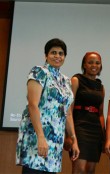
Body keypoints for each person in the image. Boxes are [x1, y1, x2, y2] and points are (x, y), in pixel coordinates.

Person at [16, 38, 79, 174]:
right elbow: (33, 105)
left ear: (64, 57)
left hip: (55, 143)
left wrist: (74, 139)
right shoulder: (39, 72)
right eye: (53, 52)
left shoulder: (66, 81)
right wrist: (41, 137)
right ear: (46, 55)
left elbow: (67, 112)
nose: (57, 56)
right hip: (37, 138)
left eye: (61, 53)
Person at [69, 52, 105, 174]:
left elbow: (100, 113)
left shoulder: (101, 86)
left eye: (97, 63)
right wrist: (69, 134)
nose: (94, 65)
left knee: (90, 170)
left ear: (100, 65)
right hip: (79, 128)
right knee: (80, 169)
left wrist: (104, 136)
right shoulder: (76, 80)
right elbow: (69, 109)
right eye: (90, 62)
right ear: (84, 64)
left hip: (95, 130)